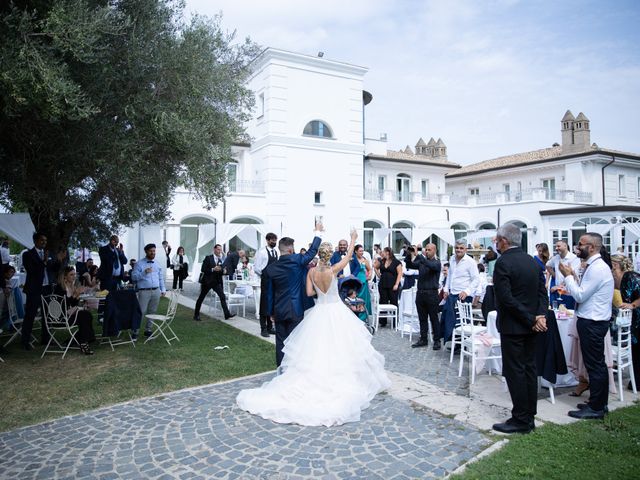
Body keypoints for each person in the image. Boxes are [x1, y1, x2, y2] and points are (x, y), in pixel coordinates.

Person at [236, 228, 391, 426]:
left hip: (319, 311)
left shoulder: (311, 271)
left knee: (316, 348)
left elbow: (309, 293)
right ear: (330, 255)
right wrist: (353, 239)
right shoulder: (334, 269)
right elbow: (350, 255)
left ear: (318, 255)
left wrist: (319, 291)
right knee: (340, 346)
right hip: (336, 311)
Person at [491, 224, 548, 434]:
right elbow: (543, 293)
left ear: (504, 241)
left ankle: (521, 419)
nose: (495, 244)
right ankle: (528, 415)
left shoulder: (503, 263)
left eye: (497, 240)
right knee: (529, 370)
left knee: (516, 372)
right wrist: (538, 316)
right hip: (530, 326)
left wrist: (533, 317)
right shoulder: (532, 262)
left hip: (515, 326)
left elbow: (506, 299)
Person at [560, 233, 614, 420]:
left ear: (591, 247)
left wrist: (568, 277)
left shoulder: (598, 268)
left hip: (593, 321)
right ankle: (598, 402)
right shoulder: (593, 266)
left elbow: (580, 296)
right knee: (594, 364)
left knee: (595, 365)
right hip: (591, 320)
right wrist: (573, 276)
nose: (577, 247)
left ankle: (597, 407)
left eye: (581, 245)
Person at [263, 224, 323, 366]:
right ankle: (294, 371)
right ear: (290, 249)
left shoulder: (271, 269)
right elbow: (312, 251)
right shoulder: (297, 260)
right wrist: (318, 232)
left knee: (280, 342)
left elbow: (269, 293)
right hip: (296, 309)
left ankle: (281, 370)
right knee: (296, 341)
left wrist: (271, 312)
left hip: (279, 310)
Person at [21, 232, 60, 350]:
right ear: (35, 241)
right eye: (42, 240)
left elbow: (53, 269)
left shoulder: (48, 254)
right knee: (30, 315)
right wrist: (43, 261)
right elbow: (32, 270)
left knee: (47, 315)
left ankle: (45, 339)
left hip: (46, 288)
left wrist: (58, 260)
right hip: (34, 289)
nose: (44, 242)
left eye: (46, 240)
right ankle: (25, 341)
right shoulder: (28, 254)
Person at [610, 254, 640, 391]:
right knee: (635, 350)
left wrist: (632, 305)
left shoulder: (631, 276)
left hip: (637, 318)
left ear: (615, 265)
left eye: (611, 264)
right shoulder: (620, 278)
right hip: (632, 320)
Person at [441, 241, 479, 348]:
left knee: (461, 321)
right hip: (452, 294)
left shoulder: (470, 262)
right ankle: (454, 343)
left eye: (461, 248)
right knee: (448, 318)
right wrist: (446, 289)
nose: (458, 250)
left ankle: (463, 345)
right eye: (457, 248)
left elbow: (476, 279)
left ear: (466, 249)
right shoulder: (452, 259)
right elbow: (450, 276)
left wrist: (467, 291)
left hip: (463, 295)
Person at [405, 243, 442, 350]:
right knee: (422, 318)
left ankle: (437, 340)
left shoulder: (437, 263)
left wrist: (419, 254)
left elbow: (429, 265)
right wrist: (409, 253)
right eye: (426, 249)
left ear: (435, 251)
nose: (426, 251)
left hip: (432, 294)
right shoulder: (422, 262)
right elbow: (409, 265)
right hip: (420, 293)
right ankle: (423, 339)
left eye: (429, 250)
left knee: (434, 318)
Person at [53, 267, 96, 355]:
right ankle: (84, 342)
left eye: (75, 274)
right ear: (65, 277)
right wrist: (76, 294)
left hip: (68, 314)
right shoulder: (60, 288)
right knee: (84, 316)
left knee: (87, 314)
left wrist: (77, 294)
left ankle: (81, 340)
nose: (74, 276)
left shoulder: (71, 286)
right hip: (60, 318)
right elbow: (62, 305)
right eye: (71, 274)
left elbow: (73, 304)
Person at [131, 243, 167, 338]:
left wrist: (163, 289)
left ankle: (148, 329)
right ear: (146, 251)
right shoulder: (139, 263)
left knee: (152, 311)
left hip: (156, 291)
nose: (153, 253)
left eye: (154, 251)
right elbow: (133, 277)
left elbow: (160, 278)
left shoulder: (157, 263)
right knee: (141, 311)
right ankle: (135, 331)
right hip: (144, 291)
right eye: (151, 251)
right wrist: (144, 273)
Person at [193, 244, 234, 321]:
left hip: (216, 282)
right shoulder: (208, 258)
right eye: (218, 249)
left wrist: (224, 271)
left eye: (220, 250)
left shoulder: (220, 260)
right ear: (214, 249)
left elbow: (220, 271)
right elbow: (203, 269)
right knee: (201, 298)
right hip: (207, 282)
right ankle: (196, 315)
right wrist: (212, 269)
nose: (220, 251)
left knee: (222, 296)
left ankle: (227, 314)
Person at [254, 233, 279, 337]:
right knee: (264, 305)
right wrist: (265, 275)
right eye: (272, 240)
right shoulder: (262, 252)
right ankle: (263, 328)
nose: (274, 242)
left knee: (272, 305)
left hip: (274, 281)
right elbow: (257, 268)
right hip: (266, 281)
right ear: (267, 240)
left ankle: (270, 327)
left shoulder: (276, 252)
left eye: (275, 240)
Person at [546, 240, 580, 309]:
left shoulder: (574, 258)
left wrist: (558, 286)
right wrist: (555, 275)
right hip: (559, 292)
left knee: (569, 313)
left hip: (569, 292)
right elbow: (547, 265)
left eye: (558, 246)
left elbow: (572, 275)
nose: (556, 248)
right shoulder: (556, 258)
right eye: (556, 246)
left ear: (565, 246)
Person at [374, 247, 402, 327]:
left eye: (383, 251)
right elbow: (375, 267)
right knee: (383, 301)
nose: (382, 253)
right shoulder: (382, 261)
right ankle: (383, 321)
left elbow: (400, 273)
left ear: (388, 252)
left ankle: (394, 322)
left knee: (394, 302)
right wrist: (379, 275)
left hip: (393, 284)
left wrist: (396, 284)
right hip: (383, 284)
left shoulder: (396, 262)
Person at [354, 244, 372, 316]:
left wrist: (369, 276)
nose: (361, 252)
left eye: (362, 251)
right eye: (360, 251)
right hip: (356, 281)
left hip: (364, 281)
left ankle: (364, 316)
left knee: (364, 299)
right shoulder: (353, 259)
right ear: (355, 251)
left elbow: (370, 269)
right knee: (356, 298)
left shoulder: (364, 260)